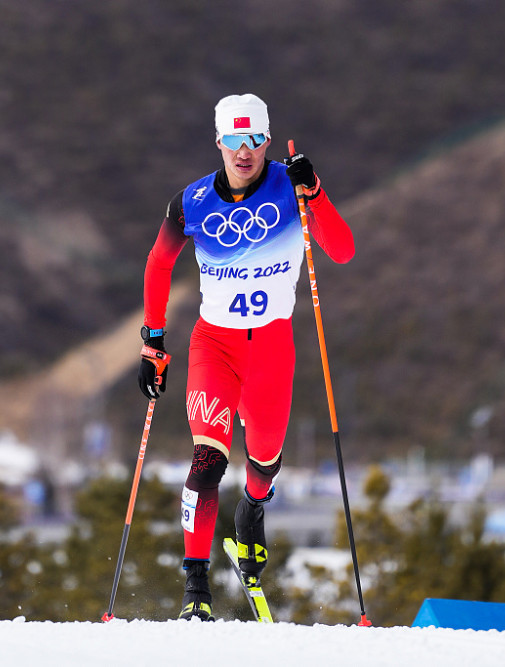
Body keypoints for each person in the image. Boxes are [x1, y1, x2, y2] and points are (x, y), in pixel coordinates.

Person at [138, 93, 355, 621]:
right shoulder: (189, 202)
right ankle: (196, 590)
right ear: (219, 143)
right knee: (207, 461)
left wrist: (316, 192)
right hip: (215, 346)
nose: (244, 150)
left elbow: (342, 249)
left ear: (266, 140)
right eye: (234, 140)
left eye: (254, 139)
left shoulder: (291, 184)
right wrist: (153, 340)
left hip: (273, 349)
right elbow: (158, 263)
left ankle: (253, 509)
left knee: (263, 464)